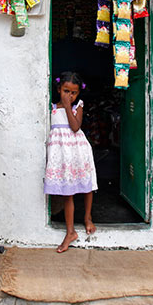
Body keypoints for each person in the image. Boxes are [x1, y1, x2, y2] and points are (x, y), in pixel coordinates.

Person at [44, 72, 98, 252]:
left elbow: (75, 127)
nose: (70, 96)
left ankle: (88, 217)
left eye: (73, 93)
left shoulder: (78, 107)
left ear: (78, 94)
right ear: (59, 89)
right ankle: (70, 232)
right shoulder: (50, 107)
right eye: (66, 91)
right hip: (62, 154)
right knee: (68, 192)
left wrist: (68, 107)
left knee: (86, 185)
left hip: (79, 151)